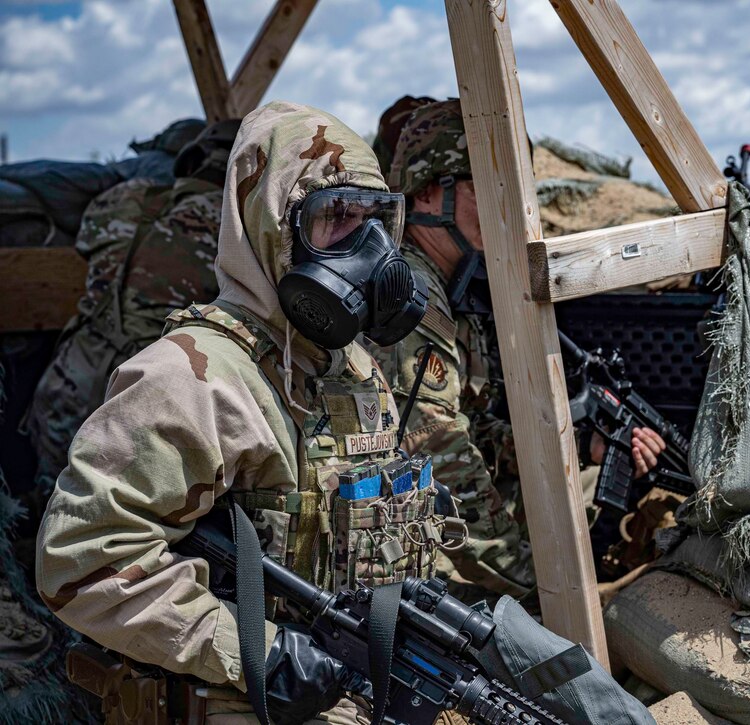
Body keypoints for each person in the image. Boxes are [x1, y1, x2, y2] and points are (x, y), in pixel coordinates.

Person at [36, 101, 454, 724]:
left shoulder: (352, 367)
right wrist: (257, 653)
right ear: (273, 226)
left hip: (354, 684)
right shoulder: (190, 377)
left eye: (376, 219)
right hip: (241, 697)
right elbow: (82, 557)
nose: (366, 247)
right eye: (337, 217)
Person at [374, 98, 667, 598]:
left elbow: (472, 431)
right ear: (426, 193)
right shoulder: (411, 293)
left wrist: (581, 446)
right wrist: (544, 586)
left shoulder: (454, 285)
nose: (505, 206)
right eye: (486, 187)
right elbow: (437, 460)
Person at [23, 119, 241, 499]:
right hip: (143, 395)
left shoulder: (120, 198)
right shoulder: (234, 224)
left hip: (69, 380)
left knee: (54, 505)